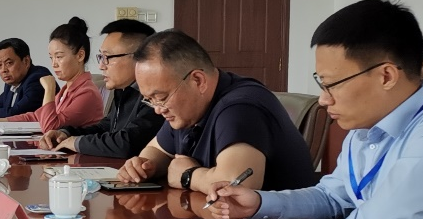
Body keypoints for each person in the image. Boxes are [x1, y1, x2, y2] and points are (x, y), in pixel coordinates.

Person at [209, 0, 423, 219]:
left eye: (331, 84)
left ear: (386, 76)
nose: (323, 99)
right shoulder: (364, 130)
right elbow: (332, 197)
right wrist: (260, 202)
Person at [117, 29, 316, 191]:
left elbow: (237, 185)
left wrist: (188, 176)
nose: (157, 110)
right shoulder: (186, 108)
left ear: (198, 80)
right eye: (150, 100)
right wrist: (143, 166)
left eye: (161, 98)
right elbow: (157, 149)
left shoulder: (241, 108)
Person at [42, 19, 163, 157]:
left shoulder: (156, 95)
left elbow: (127, 143)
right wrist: (67, 133)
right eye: (101, 57)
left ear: (138, 58)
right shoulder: (124, 90)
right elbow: (105, 127)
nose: (101, 66)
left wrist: (76, 143)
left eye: (107, 57)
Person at [0, 17, 103, 133]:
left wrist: (49, 89)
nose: (53, 64)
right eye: (51, 57)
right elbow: (35, 116)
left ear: (80, 55)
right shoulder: (67, 90)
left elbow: (50, 127)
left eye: (59, 57)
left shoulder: (87, 93)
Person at [0, 38, 51, 119]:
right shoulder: (12, 82)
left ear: (26, 61)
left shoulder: (37, 79)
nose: (3, 70)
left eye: (9, 63)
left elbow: (15, 113)